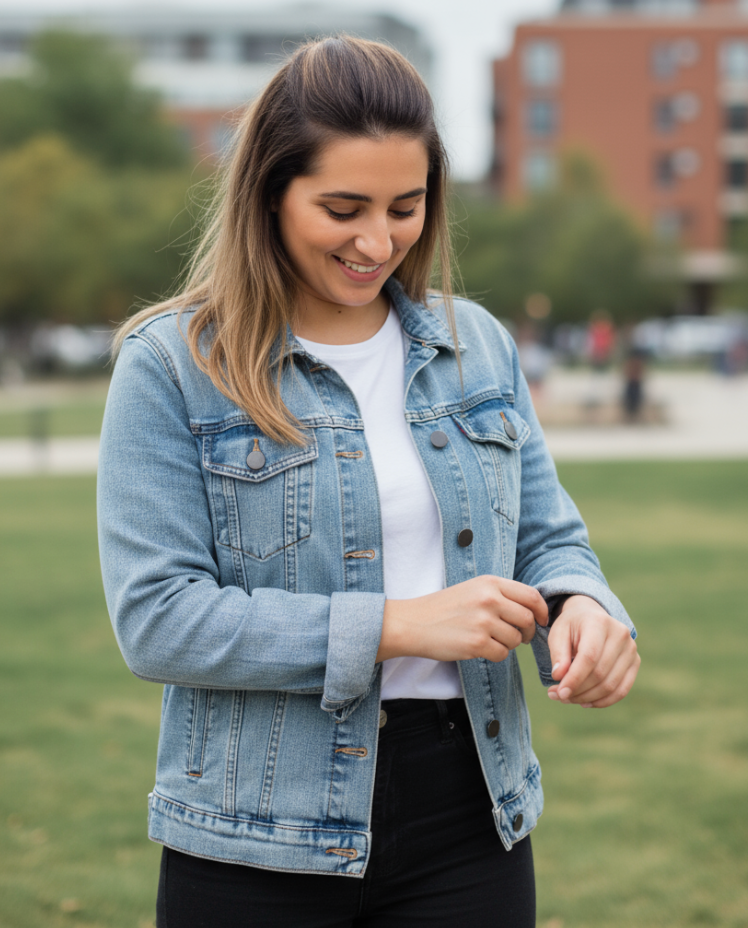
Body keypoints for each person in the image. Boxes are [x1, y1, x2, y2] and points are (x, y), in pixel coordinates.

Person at [97, 36, 640, 928]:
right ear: (269, 193)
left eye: (406, 206)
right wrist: (398, 625)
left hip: (472, 812)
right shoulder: (171, 365)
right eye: (342, 207)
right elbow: (158, 620)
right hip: (255, 826)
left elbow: (547, 536)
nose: (377, 241)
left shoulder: (479, 347)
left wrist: (582, 603)